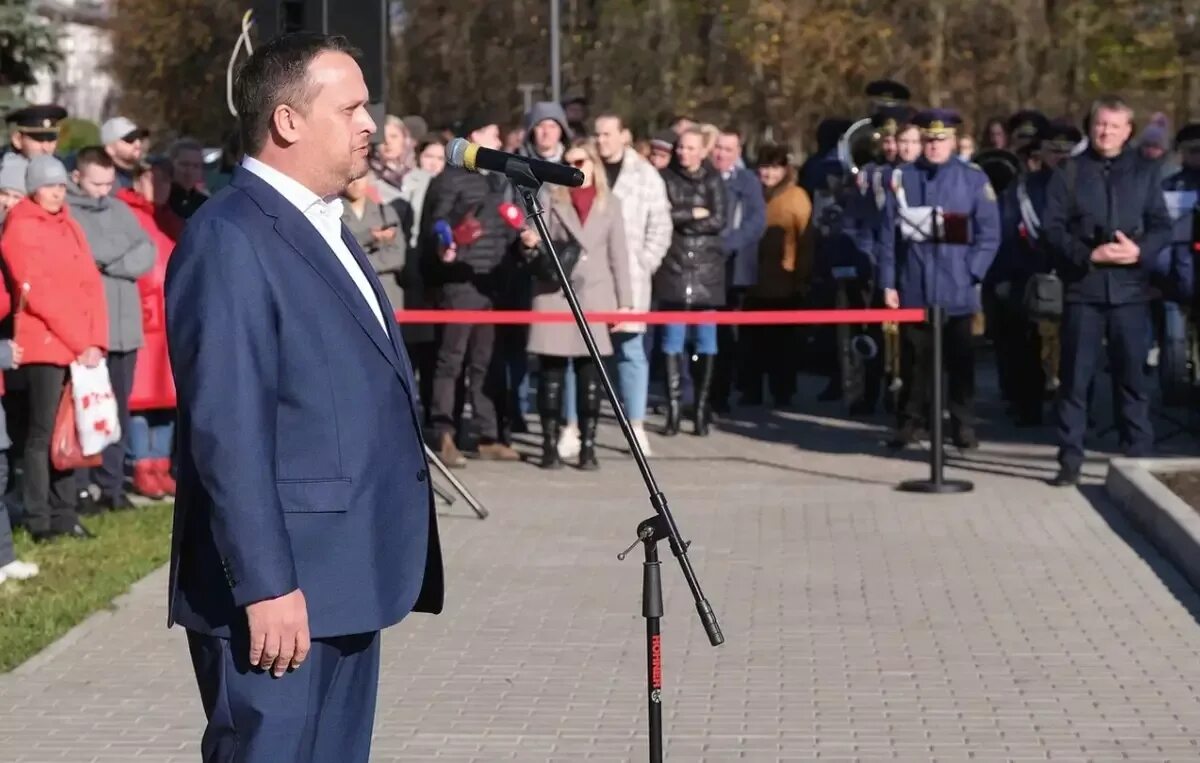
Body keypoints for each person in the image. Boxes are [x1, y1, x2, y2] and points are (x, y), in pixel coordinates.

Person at [165, 33, 443, 762]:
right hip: (280, 596)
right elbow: (228, 429)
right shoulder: (229, 236)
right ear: (288, 121)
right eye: (350, 107)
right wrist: (267, 584)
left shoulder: (326, 223)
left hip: (349, 575)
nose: (369, 124)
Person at [1042, 96, 1173, 487]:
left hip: (1131, 291)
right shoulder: (1068, 172)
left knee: (1132, 378)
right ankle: (1069, 461)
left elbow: (1162, 226)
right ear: (1091, 125)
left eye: (1114, 126)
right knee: (1076, 381)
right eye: (1100, 125)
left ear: (1128, 131)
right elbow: (1052, 229)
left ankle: (1138, 458)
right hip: (1084, 289)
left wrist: (1140, 250)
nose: (1106, 132)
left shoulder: (1147, 172)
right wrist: (1087, 254)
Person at [879, 108, 1001, 450]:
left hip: (957, 286)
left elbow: (990, 234)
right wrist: (889, 283)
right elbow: (887, 238)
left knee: (960, 363)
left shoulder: (973, 179)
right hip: (915, 285)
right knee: (916, 361)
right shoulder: (902, 178)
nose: (934, 146)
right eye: (929, 140)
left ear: (953, 141)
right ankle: (910, 423)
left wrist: (972, 272)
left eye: (941, 140)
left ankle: (962, 425)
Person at [1, 155, 108, 543]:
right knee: (42, 434)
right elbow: (40, 292)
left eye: (61, 186)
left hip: (77, 348)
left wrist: (96, 341)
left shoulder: (70, 226)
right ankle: (39, 518)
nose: (56, 192)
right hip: (43, 347)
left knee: (72, 432)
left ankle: (65, 513)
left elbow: (90, 285)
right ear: (33, 188)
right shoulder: (21, 226)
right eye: (49, 186)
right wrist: (82, 342)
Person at [524, 139, 633, 469]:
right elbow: (534, 240)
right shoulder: (549, 196)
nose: (574, 168)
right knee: (551, 374)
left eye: (581, 161)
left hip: (595, 296)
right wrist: (529, 241)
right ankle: (548, 446)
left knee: (591, 376)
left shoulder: (609, 203)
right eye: (568, 162)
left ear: (594, 165)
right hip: (555, 293)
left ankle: (588, 446)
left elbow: (620, 256)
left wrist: (625, 304)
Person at [420, 114, 521, 466]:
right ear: (476, 136)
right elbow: (438, 224)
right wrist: (446, 244)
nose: (500, 139)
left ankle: (486, 433)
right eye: (494, 132)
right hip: (460, 283)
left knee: (485, 361)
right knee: (451, 360)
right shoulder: (450, 179)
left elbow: (504, 225)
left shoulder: (495, 180)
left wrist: (520, 241)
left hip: (491, 282)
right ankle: (443, 433)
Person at [68, 146, 155, 513]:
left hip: (125, 327)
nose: (105, 190)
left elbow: (146, 252)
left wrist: (111, 262)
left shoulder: (120, 208)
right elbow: (90, 252)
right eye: (96, 183)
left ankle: (113, 485)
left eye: (109, 182)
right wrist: (120, 256)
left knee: (117, 410)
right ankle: (84, 487)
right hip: (91, 329)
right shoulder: (69, 212)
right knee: (87, 410)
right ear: (78, 178)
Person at [593, 113, 672, 455]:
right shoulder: (586, 169)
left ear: (624, 135)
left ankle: (636, 425)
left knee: (630, 350)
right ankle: (577, 426)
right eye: (597, 135)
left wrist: (646, 261)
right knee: (585, 353)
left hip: (632, 275)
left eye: (608, 134)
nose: (602, 141)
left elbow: (661, 224)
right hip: (594, 276)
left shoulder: (645, 175)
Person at [655, 127, 728, 436]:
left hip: (707, 270)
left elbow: (718, 220)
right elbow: (663, 214)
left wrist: (685, 218)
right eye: (680, 147)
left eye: (690, 148)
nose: (684, 153)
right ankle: (673, 409)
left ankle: (700, 408)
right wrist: (693, 213)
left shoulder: (714, 180)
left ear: (702, 151)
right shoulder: (665, 179)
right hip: (673, 265)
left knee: (705, 342)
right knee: (672, 340)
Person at [117, 160, 178, 499]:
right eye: (153, 180)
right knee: (141, 399)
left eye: (165, 181)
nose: (160, 188)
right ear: (139, 182)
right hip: (141, 318)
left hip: (169, 322)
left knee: (168, 398)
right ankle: (141, 464)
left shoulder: (169, 219)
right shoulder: (127, 213)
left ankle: (161, 464)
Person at [745, 143, 812, 406]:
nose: (768, 174)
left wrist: (802, 278)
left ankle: (783, 391)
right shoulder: (752, 193)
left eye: (774, 168)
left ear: (784, 169)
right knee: (752, 343)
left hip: (785, 282)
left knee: (782, 344)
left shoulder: (797, 197)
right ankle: (751, 390)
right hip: (753, 281)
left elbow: (806, 241)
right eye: (764, 167)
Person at [709, 127, 767, 413]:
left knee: (728, 334)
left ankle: (723, 392)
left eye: (728, 149)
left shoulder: (748, 181)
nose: (721, 154)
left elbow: (756, 221)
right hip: (704, 265)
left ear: (737, 153)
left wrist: (729, 243)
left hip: (735, 267)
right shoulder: (705, 176)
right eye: (718, 148)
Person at [342, 175, 406, 315]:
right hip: (349, 290)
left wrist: (358, 262)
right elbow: (339, 250)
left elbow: (396, 256)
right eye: (351, 178)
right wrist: (369, 236)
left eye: (360, 177)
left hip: (385, 291)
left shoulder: (385, 212)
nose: (355, 183)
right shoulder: (334, 213)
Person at [0, 104, 67, 179]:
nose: (46, 148)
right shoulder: (4, 175)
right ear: (17, 140)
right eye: (39, 140)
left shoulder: (62, 170)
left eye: (51, 140)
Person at [100, 116, 149, 191]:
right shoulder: (105, 183)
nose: (138, 144)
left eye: (139, 137)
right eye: (129, 139)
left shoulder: (150, 172)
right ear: (110, 149)